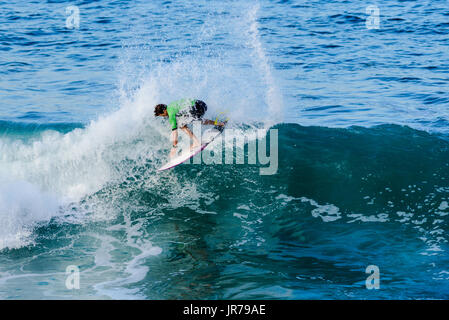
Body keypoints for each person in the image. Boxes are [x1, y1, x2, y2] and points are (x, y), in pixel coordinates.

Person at [154, 98, 225, 158]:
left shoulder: (170, 113)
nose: (164, 116)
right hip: (202, 104)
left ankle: (196, 142)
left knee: (181, 125)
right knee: (197, 120)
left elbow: (175, 133)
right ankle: (220, 123)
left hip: (196, 108)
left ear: (164, 111)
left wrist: (174, 147)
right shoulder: (172, 105)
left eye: (163, 115)